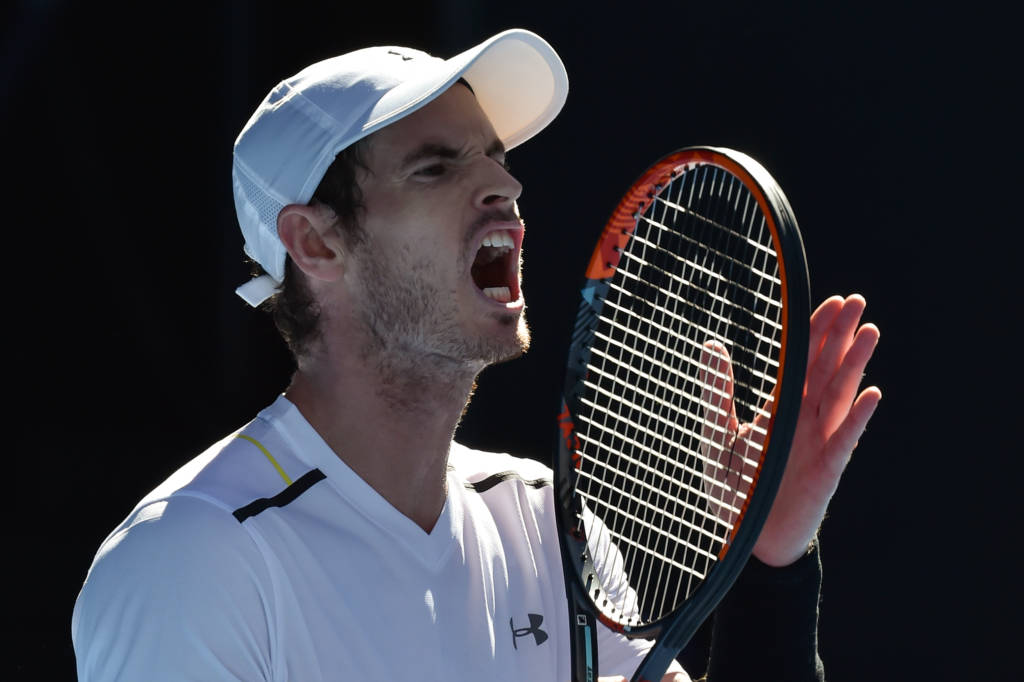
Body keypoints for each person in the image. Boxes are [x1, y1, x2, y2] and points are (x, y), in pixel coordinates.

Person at [71, 29, 881, 681]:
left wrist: (771, 563)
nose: (505, 185)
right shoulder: (186, 565)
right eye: (437, 166)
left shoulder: (543, 523)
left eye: (496, 156)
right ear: (315, 243)